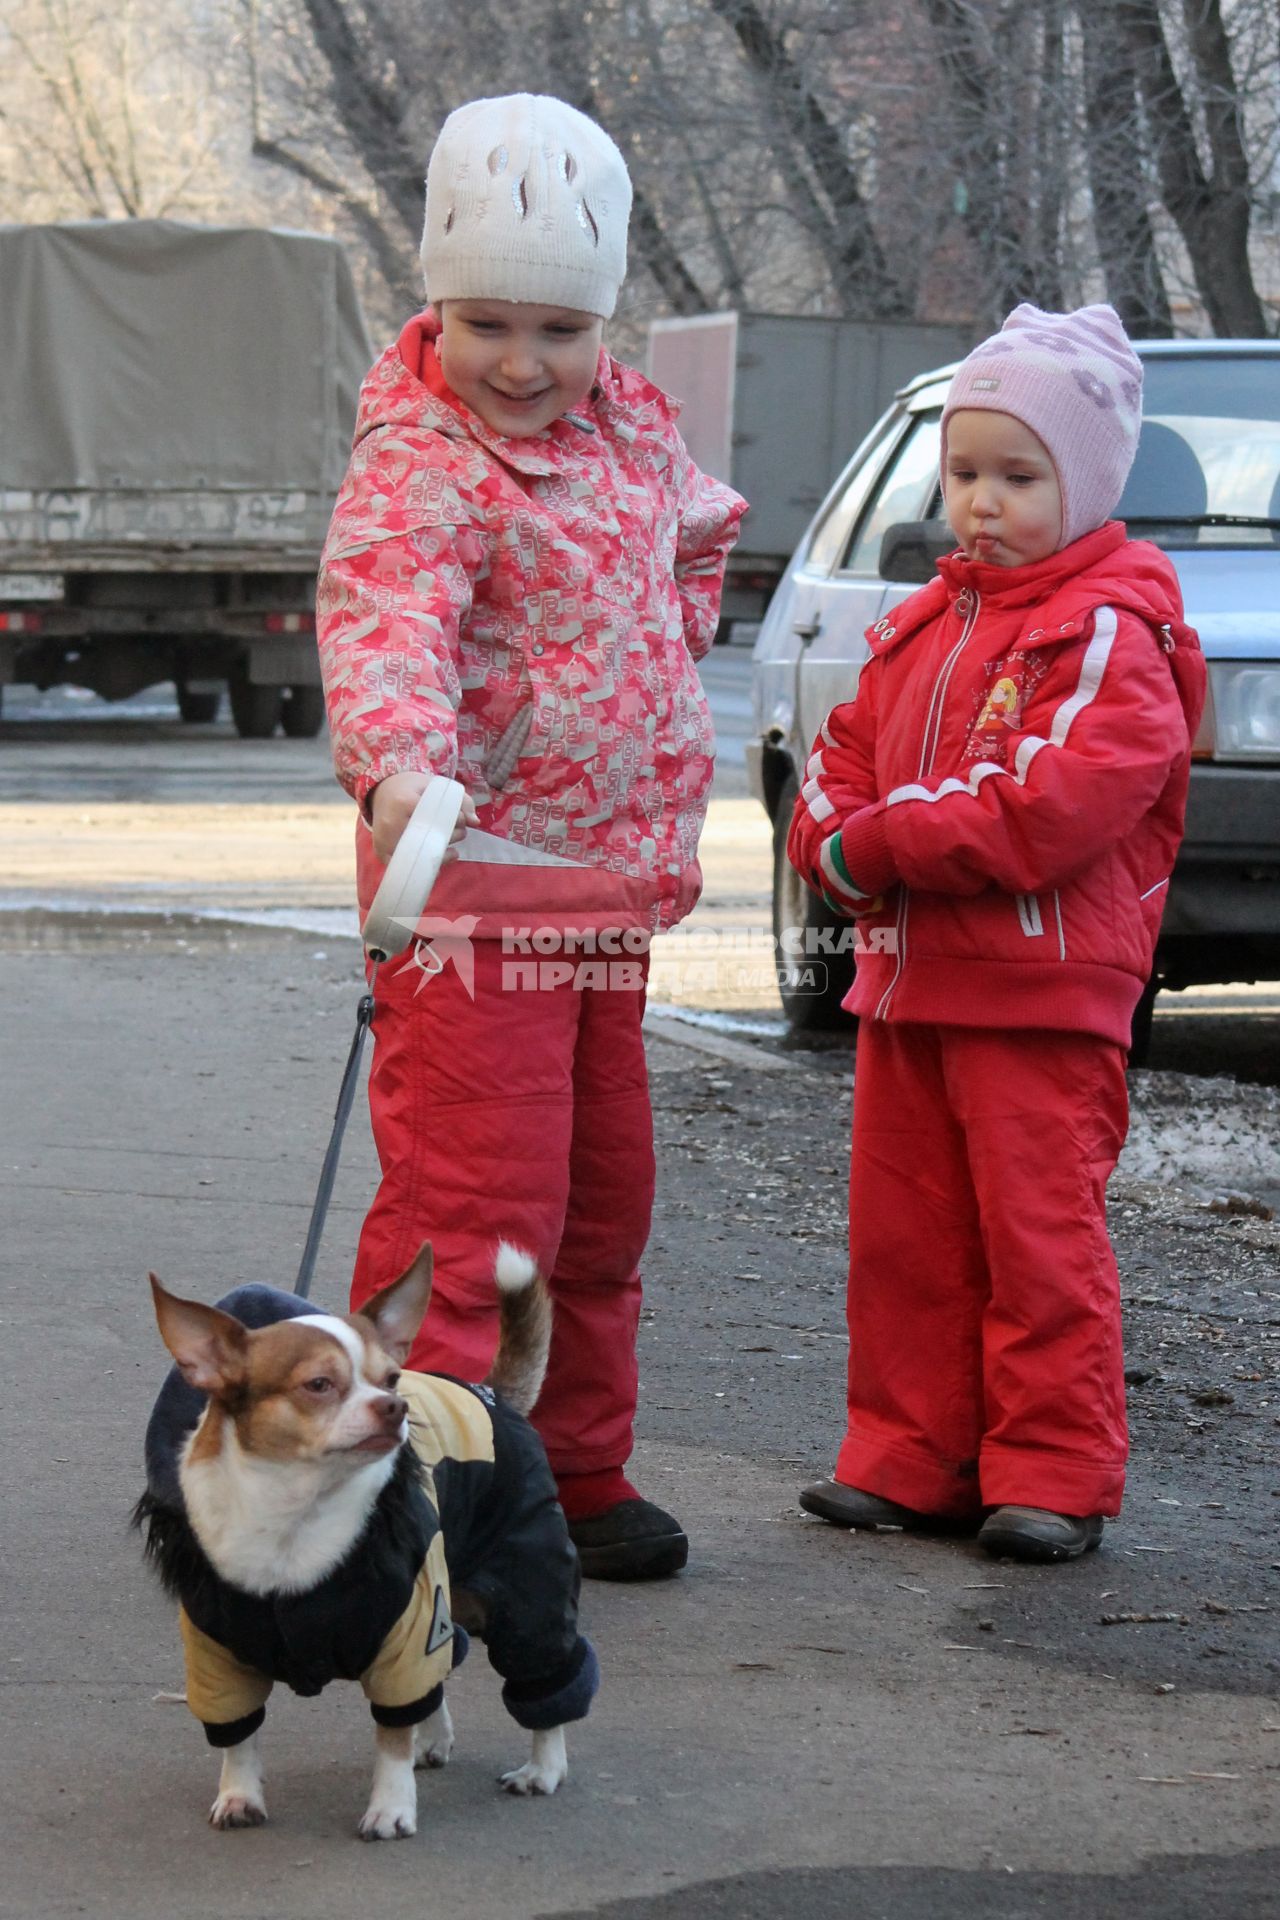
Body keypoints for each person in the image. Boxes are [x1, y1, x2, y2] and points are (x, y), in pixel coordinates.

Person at [316, 93, 745, 1582]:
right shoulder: (421, 459)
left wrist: (649, 670)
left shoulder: (631, 425)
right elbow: (386, 625)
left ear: (603, 326)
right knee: (476, 1197)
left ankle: (571, 1464)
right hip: (469, 881)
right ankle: (427, 1479)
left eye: (559, 331)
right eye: (488, 322)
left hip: (602, 884)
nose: (522, 362)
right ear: (439, 302)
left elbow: (699, 529)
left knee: (602, 1193)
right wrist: (401, 777)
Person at [788, 304, 1205, 1562]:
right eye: (963, 473)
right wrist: (828, 836)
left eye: (1016, 477)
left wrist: (880, 843)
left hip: (1039, 993)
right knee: (906, 1237)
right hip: (909, 988)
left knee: (1036, 1243)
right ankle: (912, 1457)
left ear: (1081, 485)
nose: (980, 503)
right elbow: (839, 758)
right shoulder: (922, 622)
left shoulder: (1110, 630)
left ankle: (1052, 1471)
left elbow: (1052, 800)